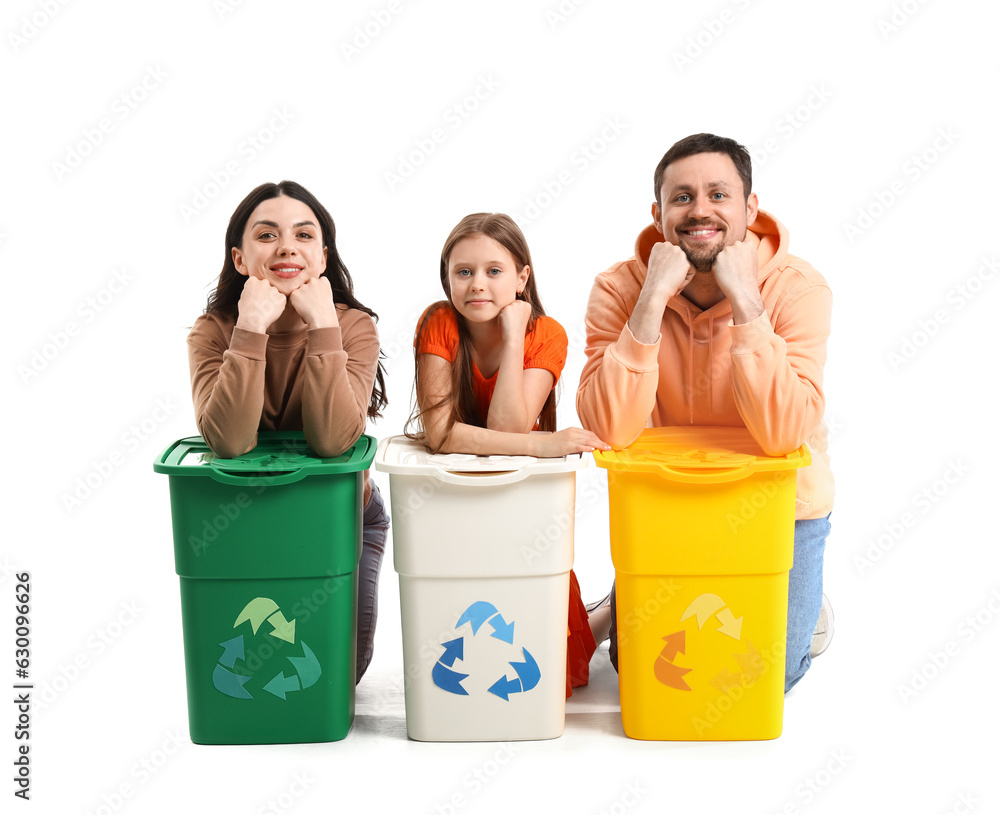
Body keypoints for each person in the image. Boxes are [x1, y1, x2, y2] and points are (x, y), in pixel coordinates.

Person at [576, 134, 835, 691]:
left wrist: (746, 301)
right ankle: (619, 601)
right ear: (658, 213)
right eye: (682, 198)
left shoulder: (799, 289)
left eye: (719, 195)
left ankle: (802, 597)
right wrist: (650, 300)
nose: (700, 211)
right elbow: (609, 429)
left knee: (762, 681)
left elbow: (784, 432)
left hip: (779, 511)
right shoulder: (618, 288)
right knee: (642, 672)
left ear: (750, 209)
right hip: (671, 505)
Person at [187, 180, 389, 684]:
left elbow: (332, 441)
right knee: (251, 673)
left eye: (303, 234)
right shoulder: (213, 331)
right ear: (239, 259)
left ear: (322, 256)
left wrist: (323, 325)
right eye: (266, 235)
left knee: (338, 676)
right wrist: (250, 327)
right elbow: (230, 441)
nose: (286, 247)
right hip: (246, 517)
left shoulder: (353, 326)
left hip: (341, 518)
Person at [409, 212, 610, 696]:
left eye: (494, 271)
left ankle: (608, 613)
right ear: (448, 279)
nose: (477, 285)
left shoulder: (547, 333)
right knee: (473, 595)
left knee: (562, 666)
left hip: (522, 496)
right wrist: (541, 444)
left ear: (523, 278)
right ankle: (605, 611)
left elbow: (506, 425)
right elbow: (439, 434)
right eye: (463, 272)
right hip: (454, 494)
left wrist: (515, 331)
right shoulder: (439, 322)